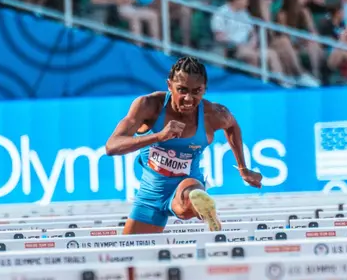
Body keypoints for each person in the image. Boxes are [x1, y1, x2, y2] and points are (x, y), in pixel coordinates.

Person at [104, 56, 262, 233]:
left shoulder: (214, 114)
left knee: (190, 194)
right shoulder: (149, 106)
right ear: (169, 85)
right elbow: (111, 146)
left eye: (196, 91)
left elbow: (232, 126)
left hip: (188, 185)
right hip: (150, 196)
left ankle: (201, 209)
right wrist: (158, 136)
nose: (189, 99)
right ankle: (198, 207)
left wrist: (243, 168)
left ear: (205, 89)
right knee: (130, 251)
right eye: (182, 90)